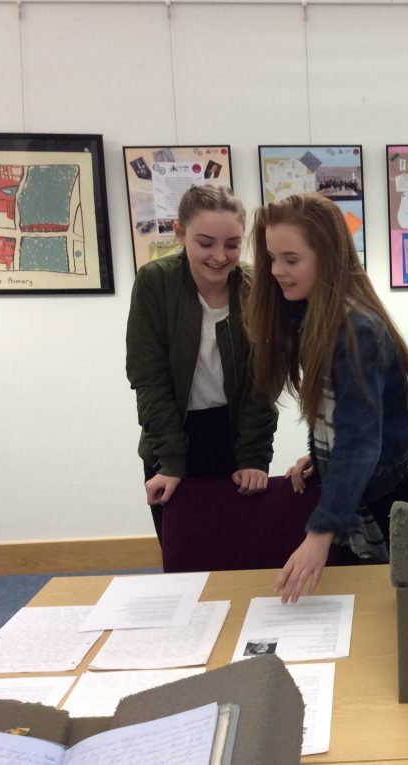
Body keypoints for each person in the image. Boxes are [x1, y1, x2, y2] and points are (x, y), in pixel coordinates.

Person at [246, 193, 408, 602]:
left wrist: (319, 534)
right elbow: (345, 418)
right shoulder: (314, 314)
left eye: (291, 260)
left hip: (391, 490)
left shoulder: (357, 331)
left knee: (380, 600)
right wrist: (323, 456)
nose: (277, 271)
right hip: (370, 476)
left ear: (327, 257)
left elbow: (362, 442)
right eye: (272, 258)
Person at [126, 185, 277, 543]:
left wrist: (254, 456)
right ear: (180, 233)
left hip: (235, 434)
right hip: (171, 435)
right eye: (205, 243)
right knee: (182, 554)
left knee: (238, 549)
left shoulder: (255, 286)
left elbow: (263, 380)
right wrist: (171, 462)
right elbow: (149, 378)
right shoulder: (155, 282)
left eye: (232, 244)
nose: (220, 256)